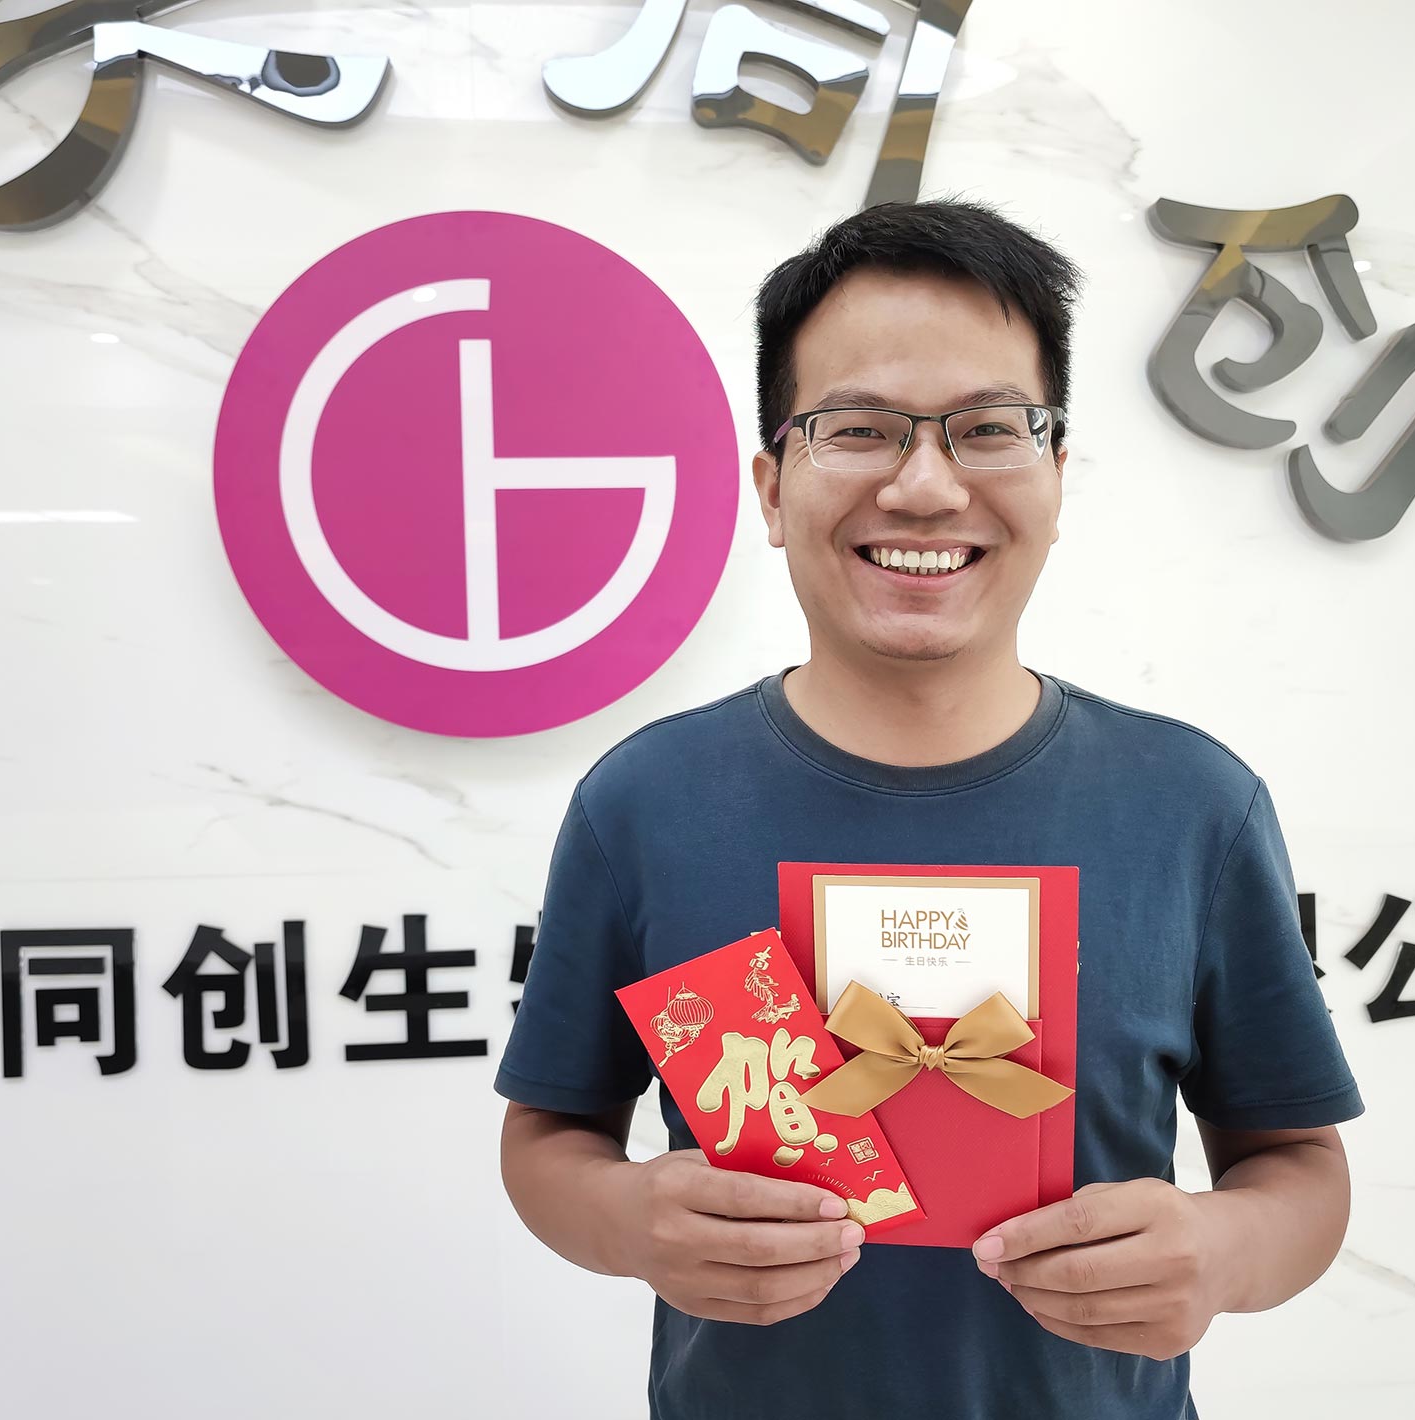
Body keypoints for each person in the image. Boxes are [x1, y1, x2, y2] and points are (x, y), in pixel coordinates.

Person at [494, 197, 1363, 1419]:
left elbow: (1298, 1166)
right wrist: (628, 1218)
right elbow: (547, 1138)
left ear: (1055, 474)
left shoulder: (1190, 806)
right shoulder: (644, 802)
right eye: (857, 429)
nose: (922, 485)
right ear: (770, 485)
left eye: (987, 430)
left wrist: (1225, 1250)